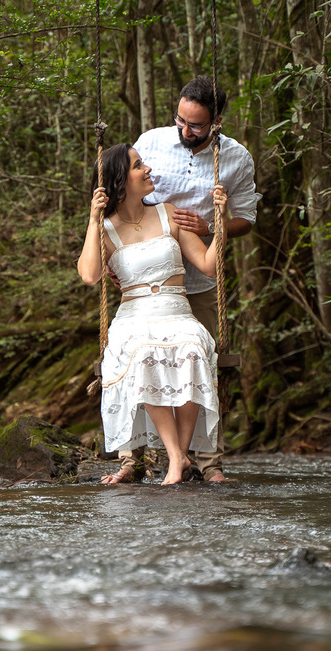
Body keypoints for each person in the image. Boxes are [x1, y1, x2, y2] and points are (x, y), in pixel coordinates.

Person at [118, 76, 261, 483]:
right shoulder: (150, 143)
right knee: (136, 360)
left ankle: (208, 461)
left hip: (198, 282)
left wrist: (211, 226)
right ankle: (132, 459)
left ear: (216, 122)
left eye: (195, 125)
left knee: (202, 364)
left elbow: (246, 219)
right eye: (180, 120)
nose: (184, 131)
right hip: (147, 277)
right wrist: (117, 256)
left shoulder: (236, 158)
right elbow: (121, 198)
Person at [77, 143, 229, 485]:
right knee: (144, 352)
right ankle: (177, 457)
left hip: (177, 311)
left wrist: (219, 222)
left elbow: (209, 266)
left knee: (193, 348)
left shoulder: (168, 214)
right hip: (134, 317)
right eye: (138, 165)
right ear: (120, 180)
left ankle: (180, 456)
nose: (147, 169)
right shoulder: (106, 229)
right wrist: (93, 220)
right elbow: (89, 275)